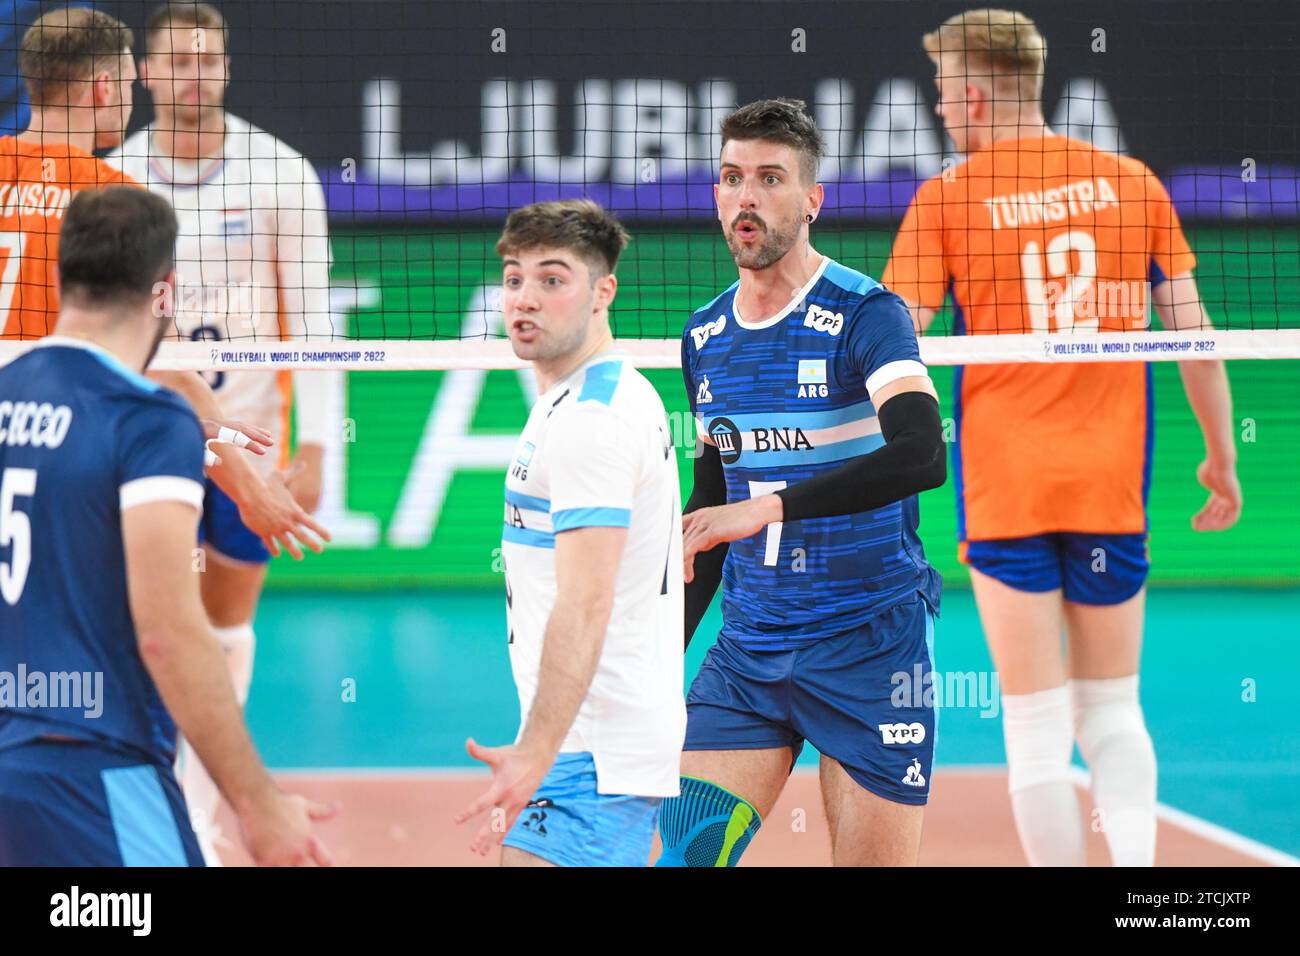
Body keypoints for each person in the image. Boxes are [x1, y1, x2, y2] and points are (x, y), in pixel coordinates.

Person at [881, 8, 1242, 866]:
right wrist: (1221, 460)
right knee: (1114, 711)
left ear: (973, 94)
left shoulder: (948, 199)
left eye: (941, 94)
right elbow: (1198, 343)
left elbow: (895, 344)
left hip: (1007, 489)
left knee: (1037, 726)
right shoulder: (1133, 181)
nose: (937, 110)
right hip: (1108, 485)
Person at [0, 186, 334, 866]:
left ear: (63, 276)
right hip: (94, 771)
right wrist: (259, 804)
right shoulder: (147, 421)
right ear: (166, 294)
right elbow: (169, 634)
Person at [658, 99, 947, 867]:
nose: (744, 198)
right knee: (684, 859)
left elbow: (923, 455)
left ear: (812, 199)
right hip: (749, 654)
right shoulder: (703, 336)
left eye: (769, 178)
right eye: (730, 178)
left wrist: (769, 509)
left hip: (870, 647)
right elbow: (711, 514)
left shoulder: (866, 314)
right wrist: (660, 667)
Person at [105, 1, 335, 865]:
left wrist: (319, 449)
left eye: (209, 61)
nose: (194, 74)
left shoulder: (279, 173)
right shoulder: (115, 178)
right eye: (177, 61)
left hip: (251, 443)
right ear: (146, 74)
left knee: (226, 628)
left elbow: (314, 323)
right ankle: (150, 802)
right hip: (144, 436)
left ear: (227, 69)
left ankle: (199, 816)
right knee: (150, 626)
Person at [0, 5, 328, 563]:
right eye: (129, 82)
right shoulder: (113, 201)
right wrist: (249, 484)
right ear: (104, 88)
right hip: (60, 449)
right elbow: (168, 365)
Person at [456, 199, 686, 866]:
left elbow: (586, 601)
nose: (526, 298)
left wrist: (536, 750)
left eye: (553, 280)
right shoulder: (577, 397)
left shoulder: (593, 418)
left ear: (602, 292)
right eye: (514, 278)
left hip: (594, 750)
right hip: (589, 742)